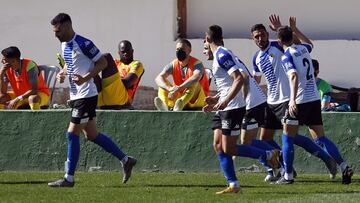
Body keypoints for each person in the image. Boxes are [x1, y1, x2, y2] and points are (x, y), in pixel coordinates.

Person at [48, 13, 136, 187]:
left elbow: (102, 63)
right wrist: (63, 72)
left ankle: (69, 178)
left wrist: (85, 78)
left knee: (72, 133)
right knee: (92, 134)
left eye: (57, 31)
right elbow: (70, 62)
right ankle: (126, 160)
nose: (55, 35)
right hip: (77, 95)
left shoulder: (84, 43)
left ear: (66, 26)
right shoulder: (65, 44)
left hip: (86, 95)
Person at [251, 15, 338, 183]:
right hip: (271, 102)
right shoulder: (256, 58)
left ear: (268, 35)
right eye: (257, 36)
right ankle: (282, 167)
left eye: (263, 34)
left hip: (287, 100)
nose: (260, 38)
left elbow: (297, 45)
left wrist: (281, 28)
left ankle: (324, 159)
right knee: (265, 139)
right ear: (253, 39)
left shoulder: (279, 46)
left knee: (292, 137)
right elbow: (256, 81)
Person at [203, 25, 280, 194]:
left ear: (208, 39)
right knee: (217, 145)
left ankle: (268, 155)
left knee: (230, 148)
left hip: (233, 108)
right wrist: (215, 100)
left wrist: (226, 101)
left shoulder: (222, 54)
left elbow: (239, 78)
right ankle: (233, 184)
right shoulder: (218, 56)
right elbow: (228, 84)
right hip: (224, 107)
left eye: (204, 42)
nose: (204, 47)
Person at [278, 20, 353, 184]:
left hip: (299, 100)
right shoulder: (304, 50)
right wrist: (296, 28)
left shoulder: (286, 56)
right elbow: (308, 43)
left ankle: (288, 176)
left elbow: (293, 76)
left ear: (279, 42)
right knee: (320, 139)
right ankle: (344, 166)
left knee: (287, 137)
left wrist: (292, 100)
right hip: (313, 99)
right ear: (292, 36)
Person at [154, 38, 209, 111]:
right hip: (178, 99)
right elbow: (158, 78)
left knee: (193, 83)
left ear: (189, 51)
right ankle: (164, 107)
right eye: (177, 49)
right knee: (163, 84)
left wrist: (179, 88)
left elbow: (196, 77)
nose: (179, 51)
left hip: (198, 99)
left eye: (182, 49)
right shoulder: (173, 64)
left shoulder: (197, 64)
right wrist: (169, 89)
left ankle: (181, 104)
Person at [97, 40, 144, 109]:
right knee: (88, 64)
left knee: (106, 57)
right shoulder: (114, 63)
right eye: (123, 52)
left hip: (121, 99)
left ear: (132, 51)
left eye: (128, 51)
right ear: (119, 53)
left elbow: (127, 82)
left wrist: (109, 80)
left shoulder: (136, 64)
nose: (125, 53)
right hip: (102, 98)